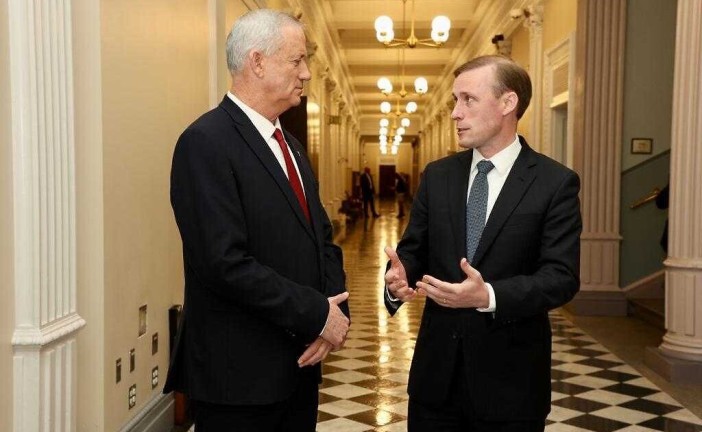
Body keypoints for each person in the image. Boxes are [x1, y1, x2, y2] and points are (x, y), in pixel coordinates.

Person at [164, 9, 350, 432]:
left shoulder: (292, 147)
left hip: (299, 364)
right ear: (257, 61)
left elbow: (322, 237)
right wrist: (315, 314)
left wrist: (333, 313)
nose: (305, 74)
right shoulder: (205, 142)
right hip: (239, 378)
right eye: (297, 60)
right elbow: (223, 262)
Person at [383, 55, 582, 431]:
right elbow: (413, 249)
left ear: (508, 103)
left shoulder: (555, 183)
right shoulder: (438, 176)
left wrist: (487, 295)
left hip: (511, 385)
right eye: (454, 101)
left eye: (468, 100)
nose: (456, 113)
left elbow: (561, 277)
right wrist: (398, 278)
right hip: (435, 381)